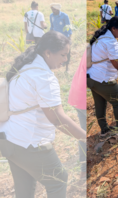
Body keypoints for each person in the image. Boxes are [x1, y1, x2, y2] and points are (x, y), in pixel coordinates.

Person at [0, 31, 86, 198]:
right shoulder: (44, 77)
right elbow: (57, 119)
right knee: (59, 180)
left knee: (24, 190)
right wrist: (86, 138)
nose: (65, 59)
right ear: (48, 53)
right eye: (63, 54)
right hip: (30, 144)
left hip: (10, 139)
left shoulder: (25, 66)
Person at [68, 51, 87, 180]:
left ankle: (83, 169)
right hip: (82, 98)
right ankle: (84, 170)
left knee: (83, 131)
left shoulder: (89, 49)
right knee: (83, 133)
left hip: (77, 94)